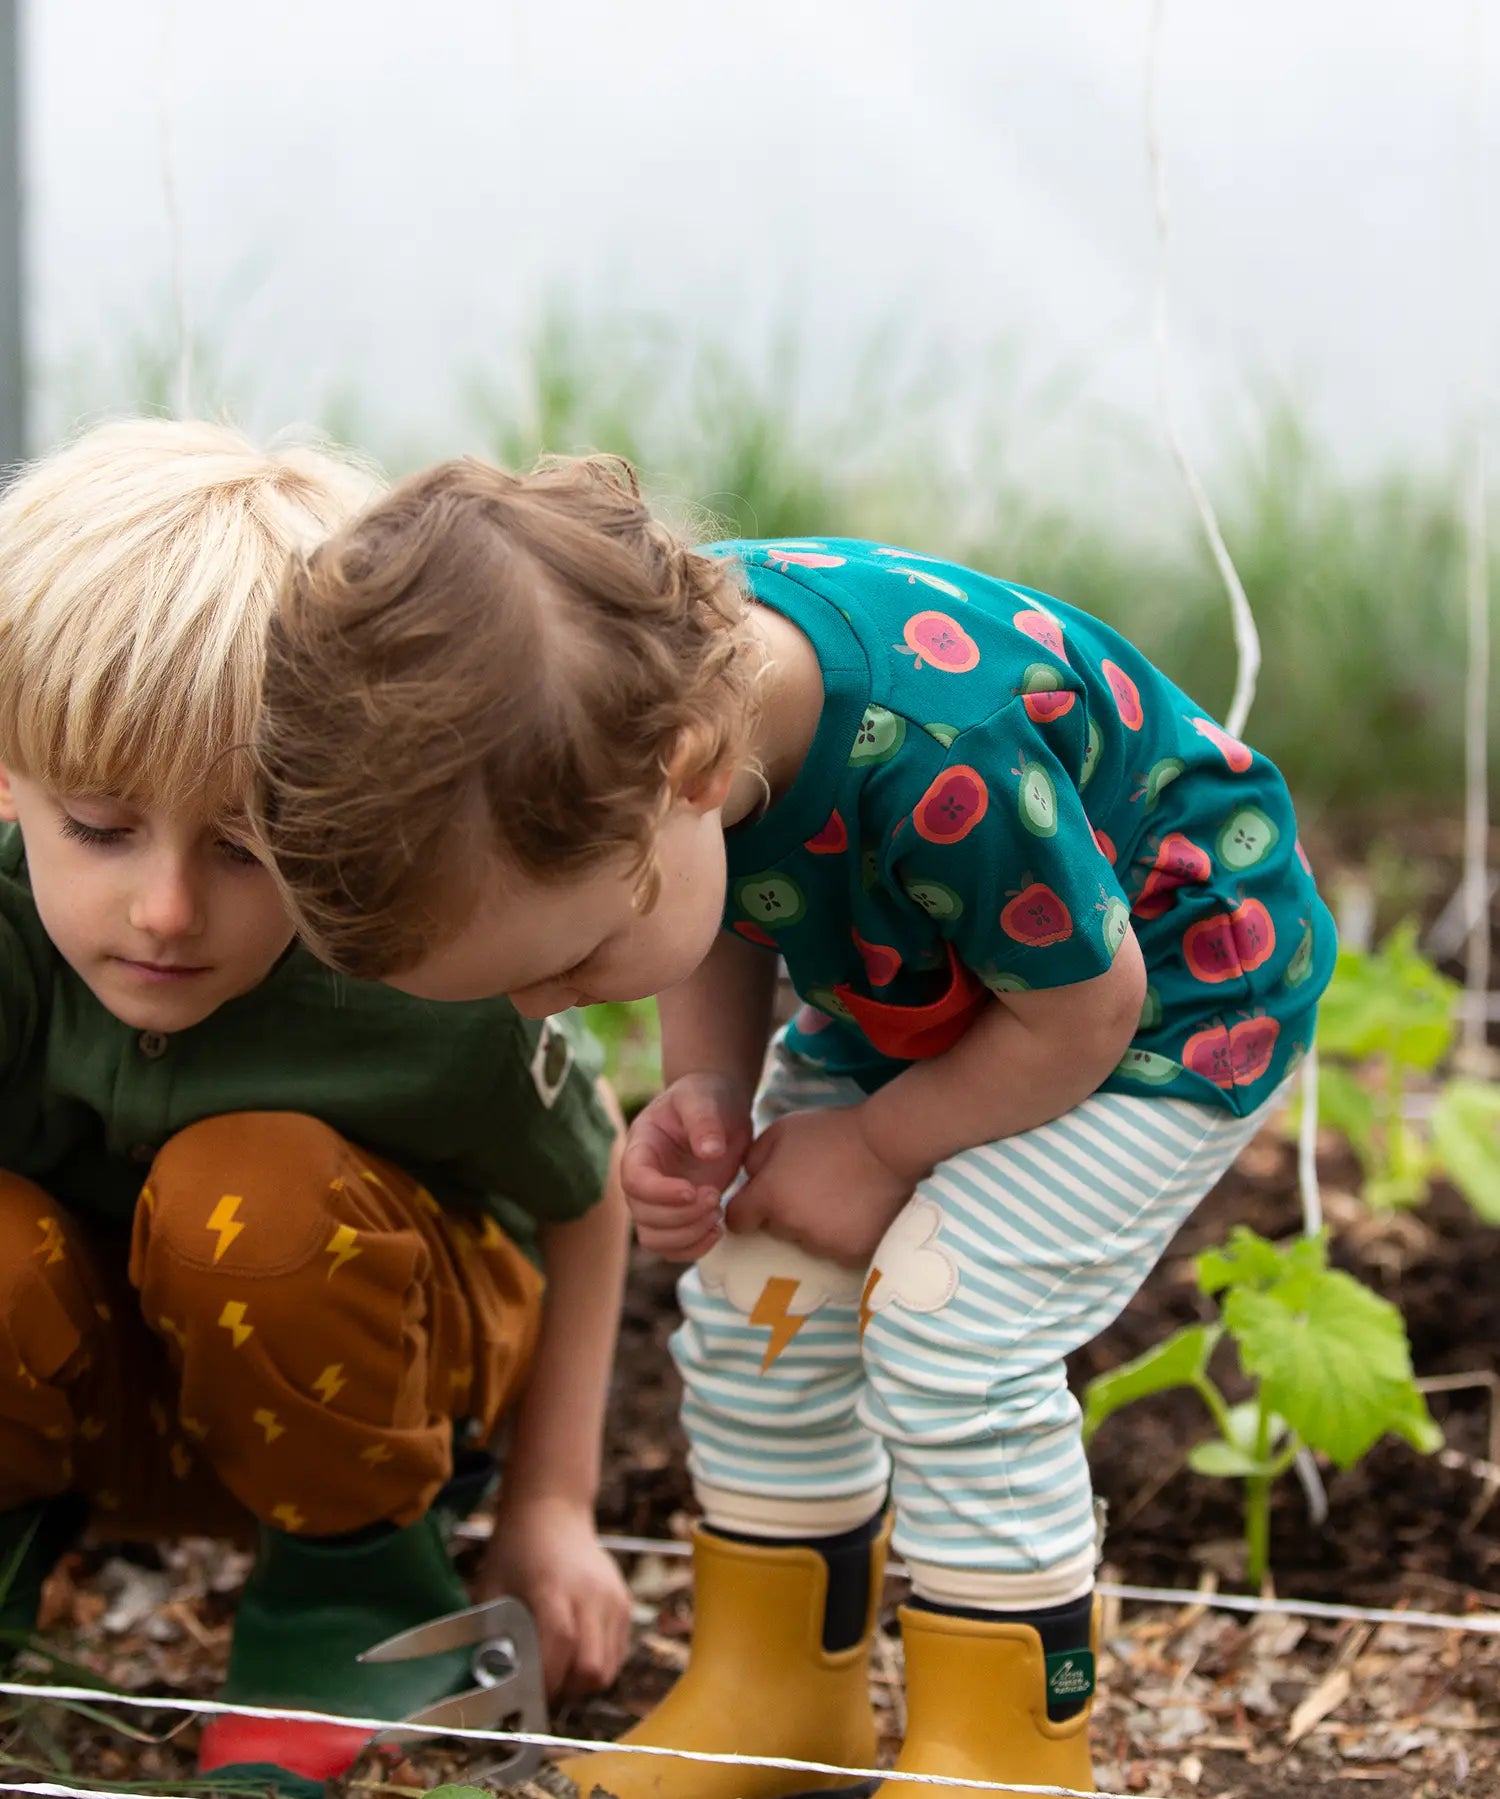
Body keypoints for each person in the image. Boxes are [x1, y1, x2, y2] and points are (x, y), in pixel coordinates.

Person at [251, 454, 1337, 1799]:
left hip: (1166, 987)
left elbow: (1082, 1009)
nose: (550, 1007)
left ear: (692, 770)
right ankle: (782, 1702)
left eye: (578, 960)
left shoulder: (943, 743)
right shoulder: (649, 707)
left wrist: (880, 1148)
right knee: (759, 1279)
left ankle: (1010, 1753)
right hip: (928, 969)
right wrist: (708, 1084)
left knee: (953, 1314)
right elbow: (711, 890)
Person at [0, 423, 632, 1799]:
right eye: (102, 829)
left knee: (253, 1197)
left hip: (367, 1393)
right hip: (104, 1406)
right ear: (6, 771)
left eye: (245, 847)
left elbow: (589, 1203)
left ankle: (354, 1607)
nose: (166, 910)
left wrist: (553, 1505)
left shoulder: (418, 976)